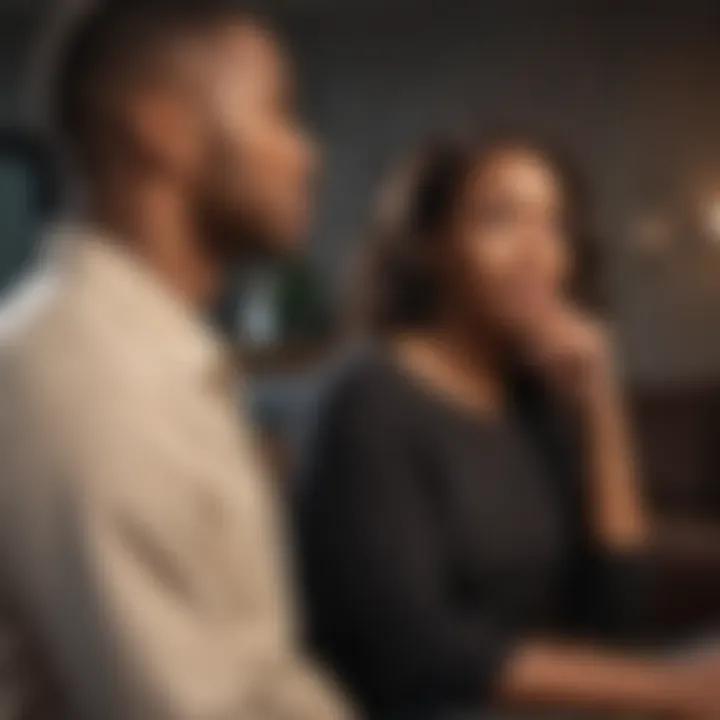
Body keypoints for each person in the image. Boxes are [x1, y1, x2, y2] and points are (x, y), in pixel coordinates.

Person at [0, 2, 352, 718]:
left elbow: (258, 672)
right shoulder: (94, 381)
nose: (307, 152)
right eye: (278, 112)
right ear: (164, 126)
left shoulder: (149, 352)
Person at [295, 133, 720, 719]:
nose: (535, 253)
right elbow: (416, 651)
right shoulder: (369, 398)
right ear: (433, 244)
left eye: (553, 226)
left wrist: (603, 401)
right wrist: (675, 695)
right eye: (500, 220)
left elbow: (617, 615)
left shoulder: (537, 402)